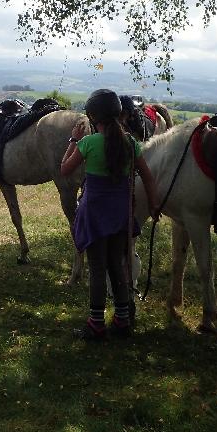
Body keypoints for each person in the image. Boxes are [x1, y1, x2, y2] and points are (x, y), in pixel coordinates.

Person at [60, 89, 160, 340]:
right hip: (120, 215)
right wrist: (155, 205)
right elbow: (147, 177)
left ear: (93, 117)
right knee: (117, 265)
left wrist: (73, 140)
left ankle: (96, 325)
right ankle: (122, 320)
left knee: (97, 269)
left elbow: (64, 169)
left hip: (95, 214)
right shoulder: (131, 144)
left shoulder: (87, 143)